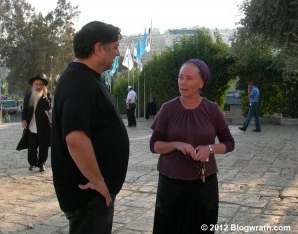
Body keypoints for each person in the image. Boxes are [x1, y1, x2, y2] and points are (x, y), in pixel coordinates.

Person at [51, 21, 130, 234]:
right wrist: (99, 182)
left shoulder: (85, 78)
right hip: (89, 196)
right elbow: (75, 139)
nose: (118, 53)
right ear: (97, 49)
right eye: (114, 47)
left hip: (92, 196)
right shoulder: (78, 83)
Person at [149, 59, 235, 234]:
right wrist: (176, 144)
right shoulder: (168, 109)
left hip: (204, 184)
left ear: (201, 83)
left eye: (189, 78)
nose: (183, 82)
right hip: (170, 183)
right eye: (181, 77)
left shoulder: (212, 109)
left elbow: (229, 143)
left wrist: (209, 149)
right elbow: (154, 145)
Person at [21, 74, 51, 172]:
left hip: (43, 127)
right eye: (36, 84)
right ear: (33, 85)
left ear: (43, 86)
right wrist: (23, 120)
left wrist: (45, 95)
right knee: (31, 146)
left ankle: (41, 163)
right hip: (31, 127)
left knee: (43, 146)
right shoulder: (28, 97)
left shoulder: (46, 97)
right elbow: (24, 110)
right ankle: (32, 163)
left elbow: (48, 107)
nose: (38, 86)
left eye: (40, 84)